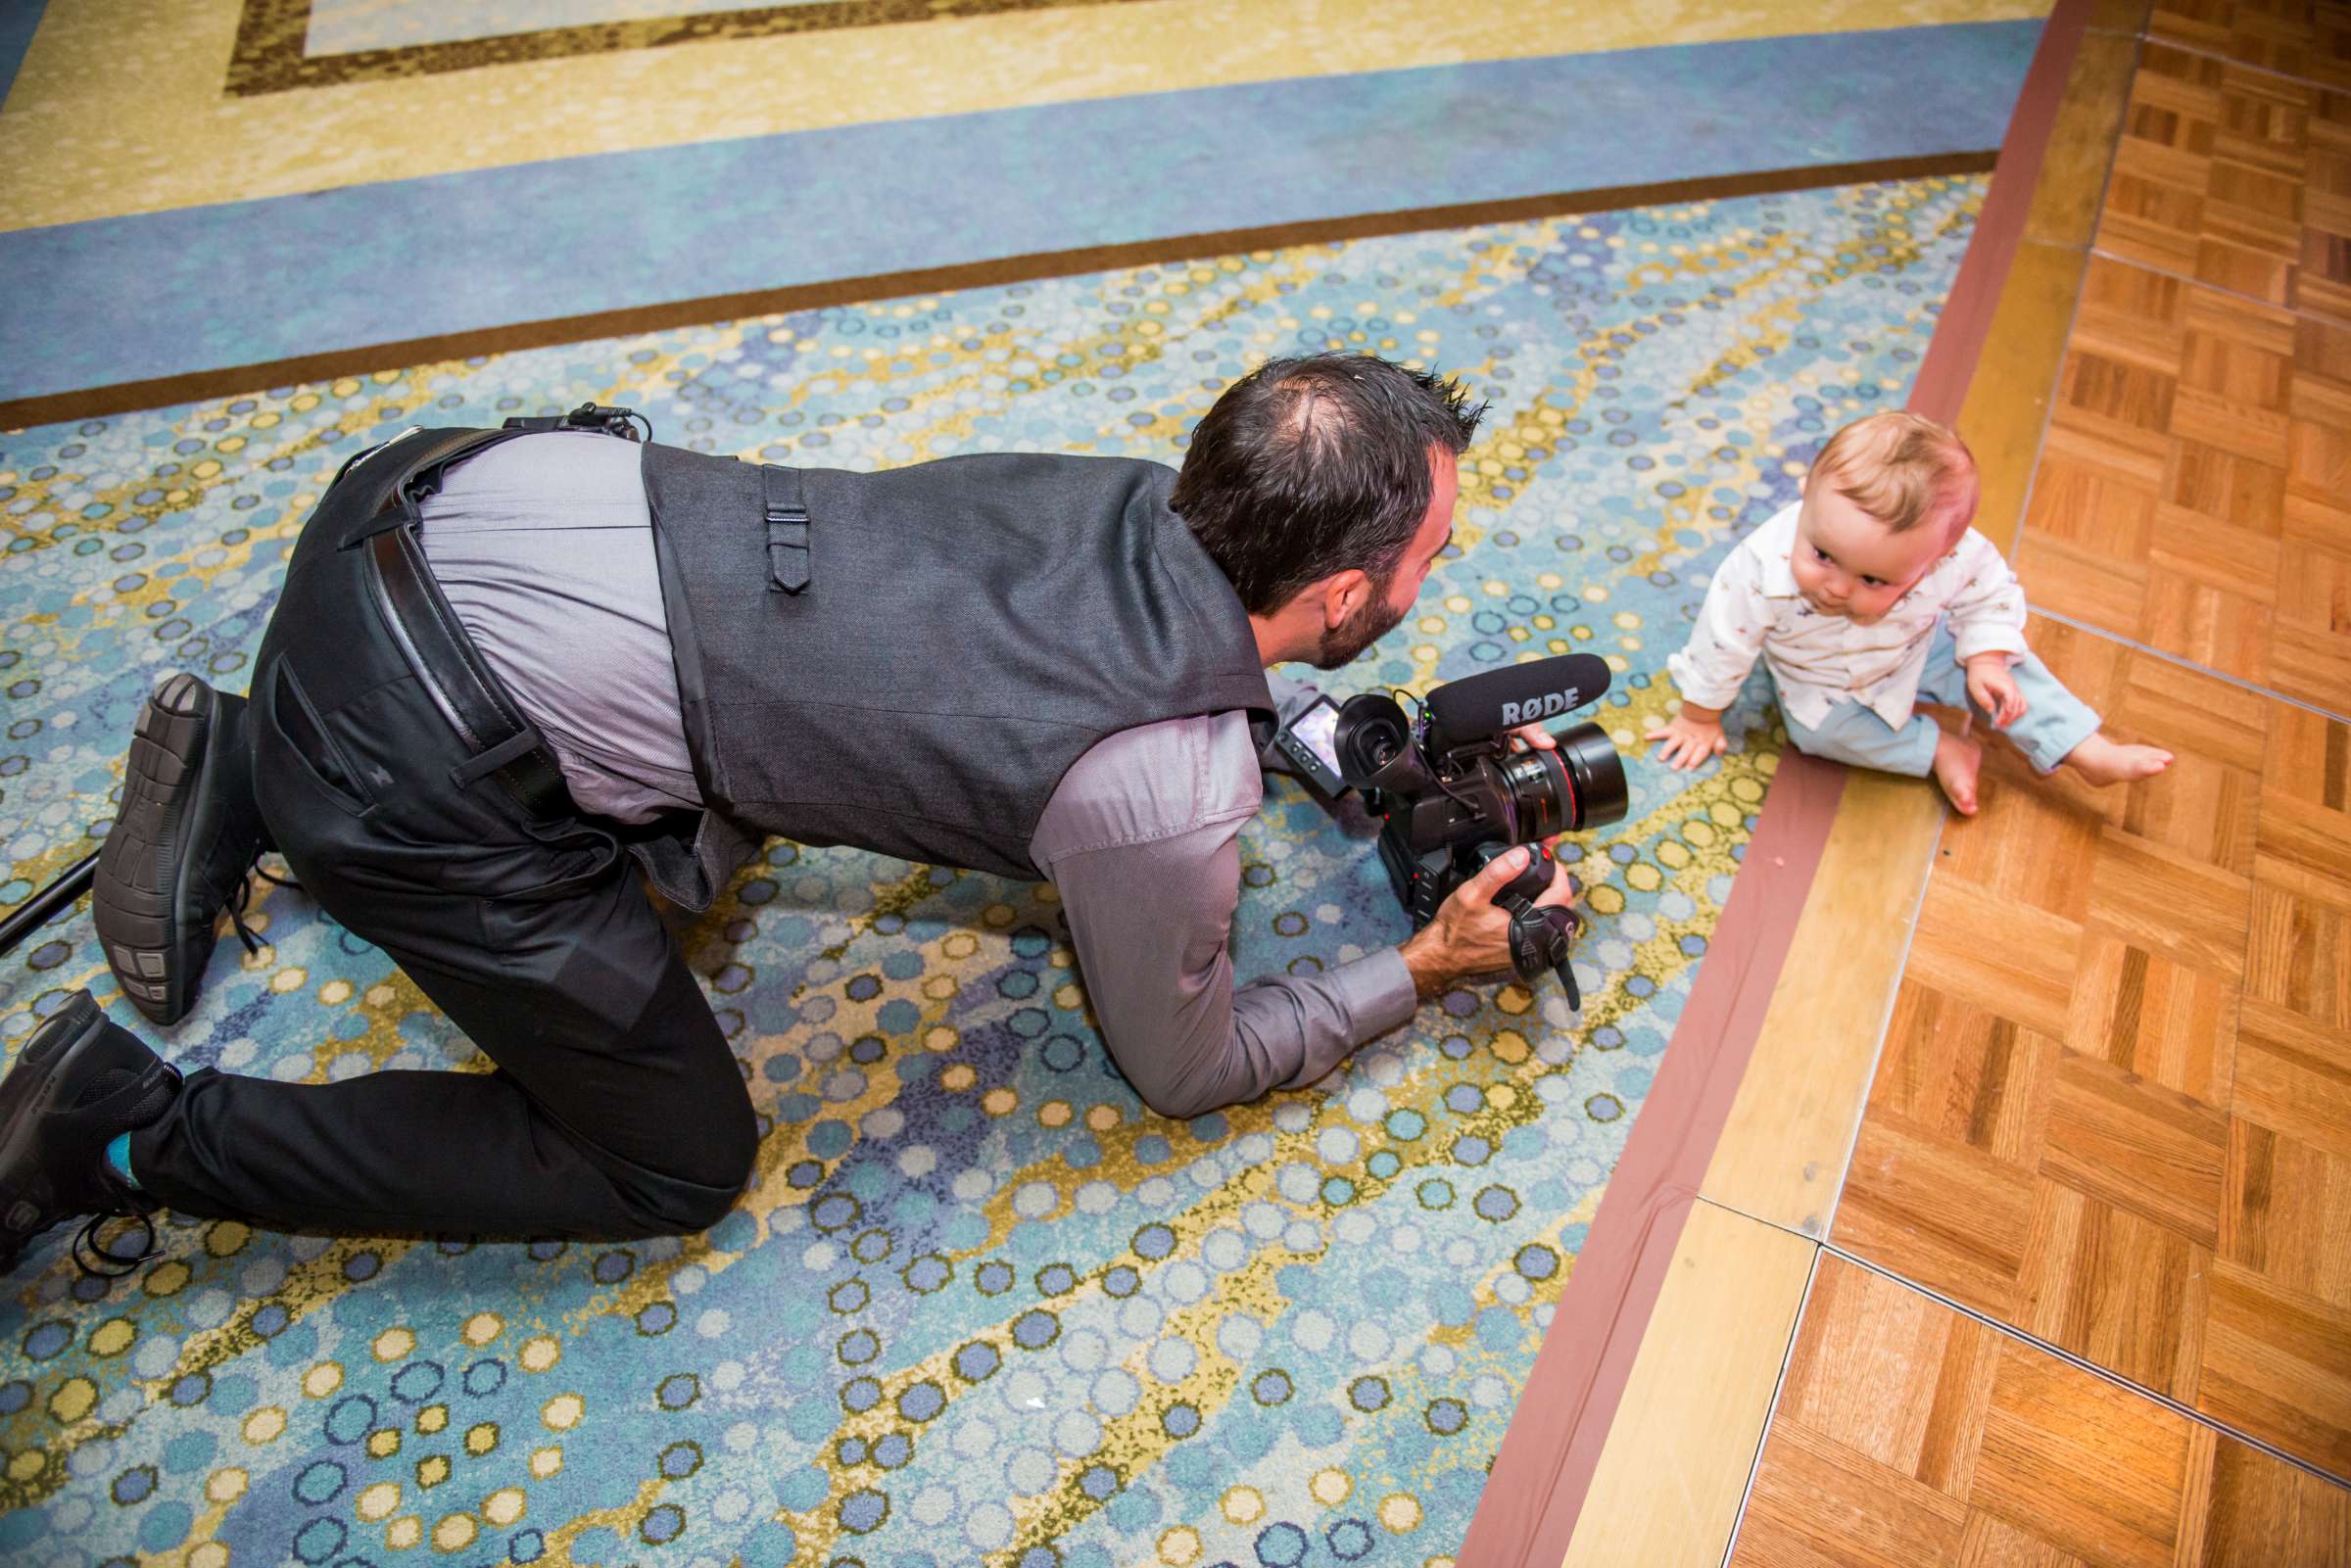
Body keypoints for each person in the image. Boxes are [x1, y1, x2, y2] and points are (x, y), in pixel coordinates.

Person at [0, 354, 1576, 1273]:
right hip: (418, 749)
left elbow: (1195, 655)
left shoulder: (1126, 493)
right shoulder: (1157, 792)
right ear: (1351, 591)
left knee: (698, 804)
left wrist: (1314, 734)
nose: (1436, 583)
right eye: (1429, 558)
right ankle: (121, 1126)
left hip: (431, 496)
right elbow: (1187, 1066)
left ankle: (253, 761)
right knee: (672, 1164)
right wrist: (1423, 969)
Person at [1646, 409, 2172, 808]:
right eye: (1823, 555)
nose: (1837, 588)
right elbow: (1723, 640)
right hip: (1821, 680)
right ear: (1805, 499)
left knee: (2008, 675)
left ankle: (2082, 746)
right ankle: (1938, 749)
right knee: (1816, 735)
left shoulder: (1957, 556)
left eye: (1873, 578)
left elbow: (1991, 592)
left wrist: (1986, 656)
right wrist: (1700, 716)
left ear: (1939, 557)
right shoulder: (1762, 566)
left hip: (1921, 646)